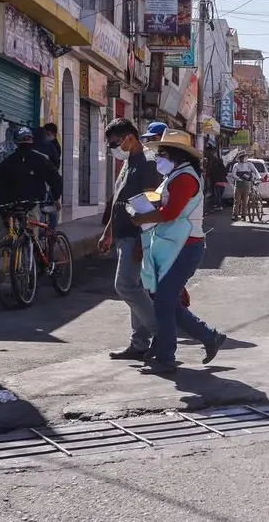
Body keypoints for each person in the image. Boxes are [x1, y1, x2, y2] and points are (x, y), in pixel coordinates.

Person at [130, 129, 228, 375]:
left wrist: (143, 217)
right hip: (174, 245)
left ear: (175, 154)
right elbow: (165, 205)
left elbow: (171, 213)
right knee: (166, 302)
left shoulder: (184, 178)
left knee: (163, 302)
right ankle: (208, 336)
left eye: (162, 153)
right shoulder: (176, 175)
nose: (158, 157)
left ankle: (166, 358)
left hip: (185, 247)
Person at [97, 119, 164, 361]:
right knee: (136, 288)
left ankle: (163, 334)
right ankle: (140, 344)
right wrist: (109, 231)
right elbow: (120, 200)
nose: (113, 148)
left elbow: (151, 204)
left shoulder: (147, 164)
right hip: (123, 232)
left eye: (115, 143)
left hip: (136, 235)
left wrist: (142, 241)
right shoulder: (129, 162)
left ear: (130, 138)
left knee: (125, 286)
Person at [0, 127, 63, 281]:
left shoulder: (36, 160)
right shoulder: (9, 162)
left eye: (27, 141)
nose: (26, 144)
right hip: (11, 207)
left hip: (27, 206)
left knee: (27, 235)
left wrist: (56, 197)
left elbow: (54, 178)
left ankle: (32, 272)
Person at [36, 123, 63, 230]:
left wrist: (56, 196)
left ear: (53, 134)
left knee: (50, 208)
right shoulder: (43, 145)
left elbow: (54, 171)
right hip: (42, 183)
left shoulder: (53, 147)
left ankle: (52, 234)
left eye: (48, 134)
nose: (46, 136)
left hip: (48, 183)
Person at [228, 151, 260, 222]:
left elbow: (255, 171)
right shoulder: (236, 165)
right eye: (244, 157)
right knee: (237, 201)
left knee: (245, 201)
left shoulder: (249, 164)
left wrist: (258, 177)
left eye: (246, 156)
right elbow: (233, 174)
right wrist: (239, 178)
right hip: (238, 185)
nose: (246, 158)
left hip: (247, 184)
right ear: (241, 158)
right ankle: (235, 215)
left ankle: (243, 215)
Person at [204, 147, 228, 212]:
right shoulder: (222, 167)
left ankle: (218, 206)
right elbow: (226, 173)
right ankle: (218, 205)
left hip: (217, 182)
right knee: (219, 195)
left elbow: (211, 174)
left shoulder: (214, 167)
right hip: (223, 183)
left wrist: (207, 176)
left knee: (217, 195)